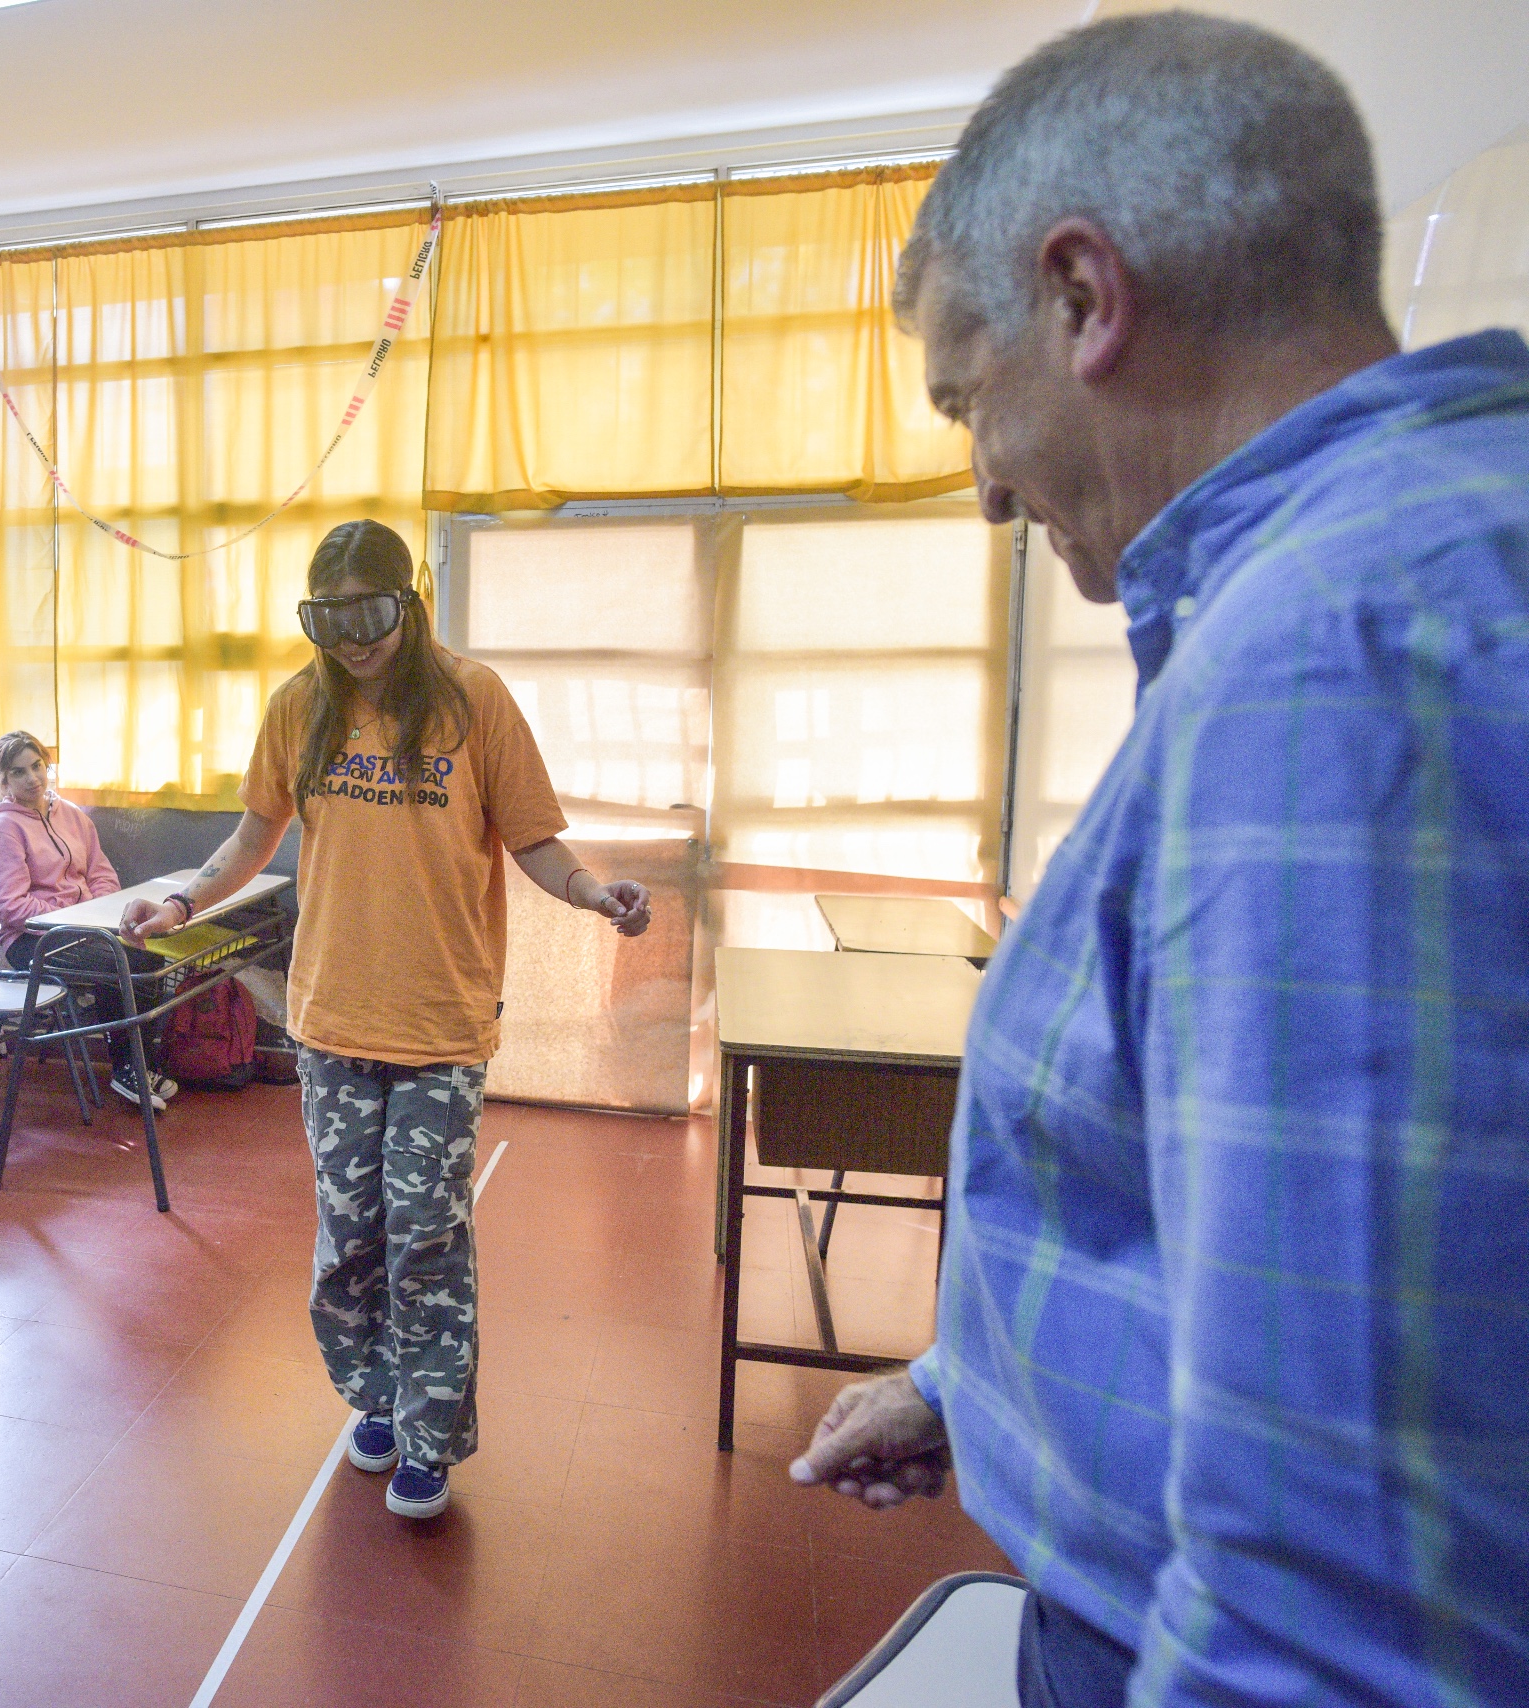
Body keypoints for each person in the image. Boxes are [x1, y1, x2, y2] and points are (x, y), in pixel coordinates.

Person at [782, 17, 1529, 1707]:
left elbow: (1345, 1601)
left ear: (1084, 297)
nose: (982, 483)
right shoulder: (1409, 549)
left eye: (972, 397)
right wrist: (977, 1375)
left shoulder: (1340, 655)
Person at [122, 520, 650, 1521]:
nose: (354, 641)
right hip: (331, 1015)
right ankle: (374, 1396)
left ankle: (431, 1432)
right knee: (350, 1233)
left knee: (425, 1236)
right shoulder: (300, 706)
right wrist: (182, 904)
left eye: (369, 616)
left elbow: (535, 841)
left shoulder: (470, 699)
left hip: (440, 1018)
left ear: (407, 603)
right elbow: (250, 835)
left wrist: (592, 893)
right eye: (331, 621)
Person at [0, 732, 174, 1112]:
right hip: (29, 942)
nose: (32, 778)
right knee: (125, 964)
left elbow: (104, 877)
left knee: (146, 958)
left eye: (37, 766)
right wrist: (71, 910)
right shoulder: (3, 829)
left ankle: (137, 1065)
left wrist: (90, 911)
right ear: (4, 781)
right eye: (19, 772)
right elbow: (10, 907)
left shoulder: (71, 816)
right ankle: (128, 1068)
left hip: (79, 929)